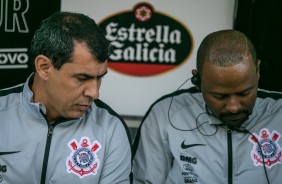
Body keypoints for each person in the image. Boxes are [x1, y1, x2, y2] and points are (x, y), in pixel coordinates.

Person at [132, 29, 282, 184]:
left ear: (258, 71)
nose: (233, 107)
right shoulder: (166, 113)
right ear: (197, 80)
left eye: (244, 93)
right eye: (219, 96)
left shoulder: (279, 112)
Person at [0, 11, 132, 184]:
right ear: (44, 67)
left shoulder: (110, 129)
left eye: (99, 77)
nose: (94, 92)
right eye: (82, 78)